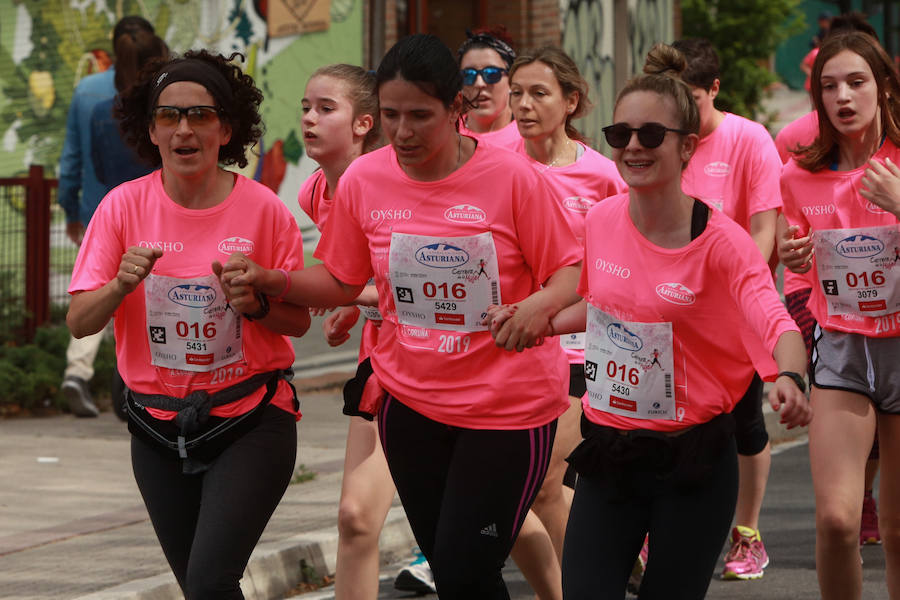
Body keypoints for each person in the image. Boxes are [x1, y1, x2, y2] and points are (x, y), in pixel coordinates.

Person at [224, 33, 583, 598]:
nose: (404, 132)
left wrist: (535, 307)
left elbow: (570, 272)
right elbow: (341, 279)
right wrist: (273, 280)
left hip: (507, 410)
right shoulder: (367, 180)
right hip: (410, 404)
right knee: (452, 565)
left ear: (456, 110)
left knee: (467, 566)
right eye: (391, 116)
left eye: (420, 115)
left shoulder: (513, 179)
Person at [534, 42, 810, 599]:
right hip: (611, 451)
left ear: (687, 147)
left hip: (693, 461)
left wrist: (790, 376)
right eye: (621, 134)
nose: (633, 147)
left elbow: (772, 317)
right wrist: (538, 323)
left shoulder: (722, 242)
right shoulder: (604, 219)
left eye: (651, 135)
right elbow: (608, 303)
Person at [66, 49, 310, 598]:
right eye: (169, 116)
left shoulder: (265, 210)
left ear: (226, 128)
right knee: (201, 588)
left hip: (250, 419)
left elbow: (297, 322)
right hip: (156, 426)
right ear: (150, 130)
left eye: (200, 115)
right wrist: (119, 286)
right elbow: (80, 321)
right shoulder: (121, 208)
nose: (184, 129)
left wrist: (256, 303)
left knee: (208, 581)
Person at [654, 37, 784, 582]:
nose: (682, 115)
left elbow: (762, 229)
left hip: (732, 307)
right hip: (666, 306)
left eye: (693, 101)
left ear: (715, 89)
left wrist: (724, 290)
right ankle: (652, 532)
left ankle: (747, 533)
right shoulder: (664, 140)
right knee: (661, 421)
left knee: (743, 423)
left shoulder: (749, 139)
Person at [777, 31, 900, 600]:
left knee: (898, 533)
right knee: (836, 520)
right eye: (829, 86)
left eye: (856, 82)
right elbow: (799, 274)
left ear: (885, 88)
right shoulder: (799, 175)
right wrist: (795, 260)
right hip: (843, 352)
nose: (843, 97)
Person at [504, 45, 625, 599]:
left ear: (571, 100)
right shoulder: (494, 166)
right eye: (516, 94)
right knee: (520, 495)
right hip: (505, 348)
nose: (523, 105)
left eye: (538, 93)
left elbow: (623, 259)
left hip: (579, 347)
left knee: (549, 483)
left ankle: (595, 583)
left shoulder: (602, 176)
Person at [297, 63, 401, 598]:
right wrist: (353, 304)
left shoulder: (393, 180)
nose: (310, 119)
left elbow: (412, 283)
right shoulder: (315, 192)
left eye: (325, 109)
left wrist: (344, 296)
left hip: (445, 367)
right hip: (380, 363)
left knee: (516, 512)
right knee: (356, 518)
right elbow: (354, 275)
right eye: (306, 108)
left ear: (363, 124)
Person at [57, 15, 156, 417]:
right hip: (152, 217)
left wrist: (70, 210)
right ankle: (131, 381)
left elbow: (72, 161)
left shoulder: (86, 92)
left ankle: (77, 373)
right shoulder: (161, 91)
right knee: (142, 297)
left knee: (97, 291)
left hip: (98, 211)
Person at [457, 26, 520, 149]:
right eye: (469, 75)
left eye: (491, 74)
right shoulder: (446, 137)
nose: (479, 83)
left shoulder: (531, 138)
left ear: (512, 79)